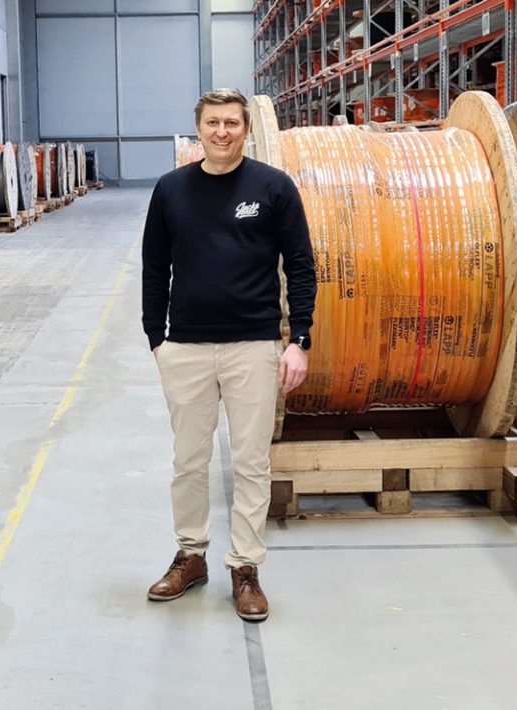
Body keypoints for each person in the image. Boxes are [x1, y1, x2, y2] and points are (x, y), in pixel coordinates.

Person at [141, 88, 316, 622]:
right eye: (213, 123)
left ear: (246, 129)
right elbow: (154, 268)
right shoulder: (171, 190)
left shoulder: (273, 187)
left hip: (253, 346)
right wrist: (157, 339)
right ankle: (190, 556)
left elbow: (301, 265)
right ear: (199, 129)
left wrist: (299, 339)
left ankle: (245, 568)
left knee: (250, 463)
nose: (222, 132)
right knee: (188, 462)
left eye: (232, 123)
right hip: (186, 347)